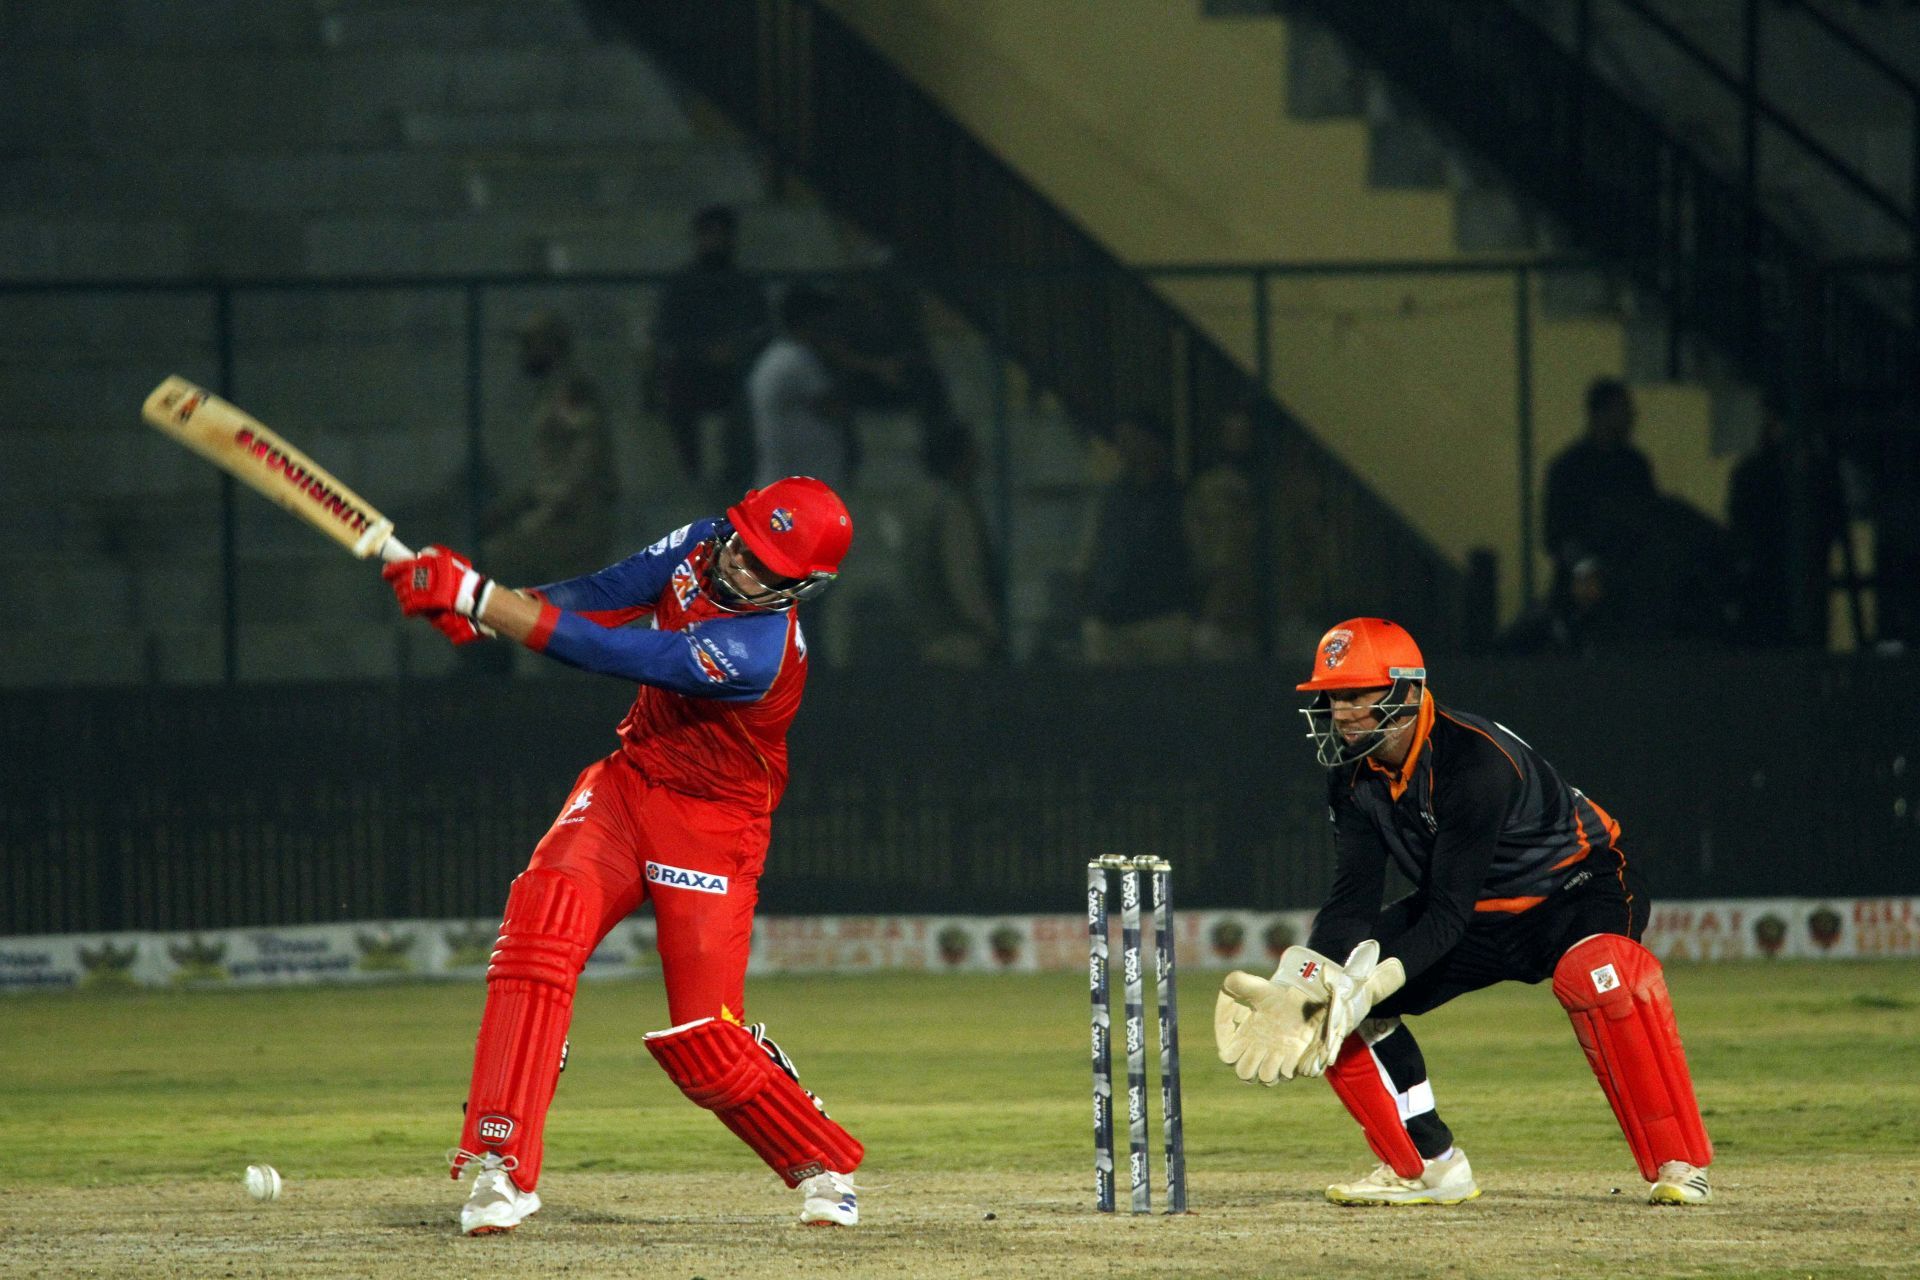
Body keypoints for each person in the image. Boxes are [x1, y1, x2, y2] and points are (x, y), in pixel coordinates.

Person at [381, 476, 865, 1235]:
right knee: (536, 939)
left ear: (803, 585)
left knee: (706, 1042)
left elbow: (613, 650)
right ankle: (501, 1166)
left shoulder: (759, 650)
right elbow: (604, 595)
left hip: (712, 825)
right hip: (628, 782)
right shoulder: (703, 541)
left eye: (764, 567)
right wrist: (492, 611)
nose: (738, 566)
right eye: (742, 544)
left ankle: (819, 1163)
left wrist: (481, 597)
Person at [1214, 618, 1713, 1207]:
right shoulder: (1351, 774)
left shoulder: (1475, 763)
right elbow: (1353, 898)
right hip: (1476, 908)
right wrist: (1302, 979)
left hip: (1574, 892)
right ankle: (1429, 1163)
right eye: (1332, 696)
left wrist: (1369, 984)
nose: (1340, 711)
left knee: (1600, 974)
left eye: (1355, 694)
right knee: (1326, 1002)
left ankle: (1679, 1163)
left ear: (1404, 691)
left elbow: (1446, 914)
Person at [480, 311, 617, 589]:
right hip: (561, 513)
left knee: (496, 561)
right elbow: (551, 469)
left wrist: (549, 510)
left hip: (577, 517)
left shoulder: (571, 390)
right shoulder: (554, 388)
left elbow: (586, 455)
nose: (524, 353)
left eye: (530, 343)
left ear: (551, 347)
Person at [648, 205, 770, 484]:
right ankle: (691, 471)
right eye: (709, 234)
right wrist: (703, 353)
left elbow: (761, 332)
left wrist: (735, 351)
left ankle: (737, 472)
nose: (716, 241)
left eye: (721, 234)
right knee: (676, 390)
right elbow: (668, 334)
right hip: (693, 371)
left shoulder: (746, 284)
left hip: (738, 371)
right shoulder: (681, 285)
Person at [1080, 413, 1195, 665]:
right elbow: (1097, 551)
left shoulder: (1178, 497)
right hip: (1113, 618)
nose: (1124, 447)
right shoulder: (1113, 498)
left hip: (1162, 616)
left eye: (1132, 439)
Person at [1542, 377, 1657, 604]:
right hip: (1583, 584)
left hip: (1629, 579)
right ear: (1601, 413)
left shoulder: (1635, 466)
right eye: (1622, 410)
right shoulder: (1568, 468)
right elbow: (1556, 534)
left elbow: (1650, 520)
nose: (1631, 417)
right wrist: (1586, 568)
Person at [909, 424, 1003, 666]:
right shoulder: (952, 508)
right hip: (957, 641)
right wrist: (988, 627)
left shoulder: (925, 502)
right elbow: (962, 576)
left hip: (933, 638)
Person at [748, 285, 853, 493]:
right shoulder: (795, 360)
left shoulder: (779, 356)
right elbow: (834, 407)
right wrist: (844, 361)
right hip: (795, 490)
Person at [1184, 401, 1262, 661]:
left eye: (1243, 435)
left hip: (1265, 603)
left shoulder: (1273, 490)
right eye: (1231, 434)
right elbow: (1196, 538)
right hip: (1219, 599)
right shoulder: (1209, 488)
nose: (1237, 442)